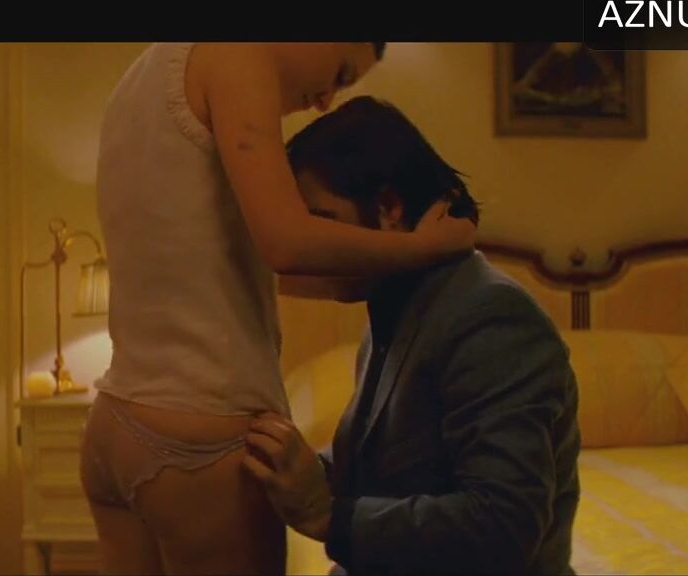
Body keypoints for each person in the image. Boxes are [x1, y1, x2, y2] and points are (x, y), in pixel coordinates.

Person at [80, 44, 479, 575]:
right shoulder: (237, 53)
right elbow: (286, 245)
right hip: (200, 436)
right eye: (340, 73)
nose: (326, 100)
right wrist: (425, 247)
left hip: (114, 427)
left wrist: (372, 276)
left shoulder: (143, 75)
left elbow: (252, 266)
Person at [243, 95, 582, 575]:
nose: (315, 247)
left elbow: (504, 525)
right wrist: (299, 470)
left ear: (388, 207)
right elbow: (389, 469)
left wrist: (328, 517)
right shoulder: (398, 311)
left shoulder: (489, 315)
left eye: (323, 222)